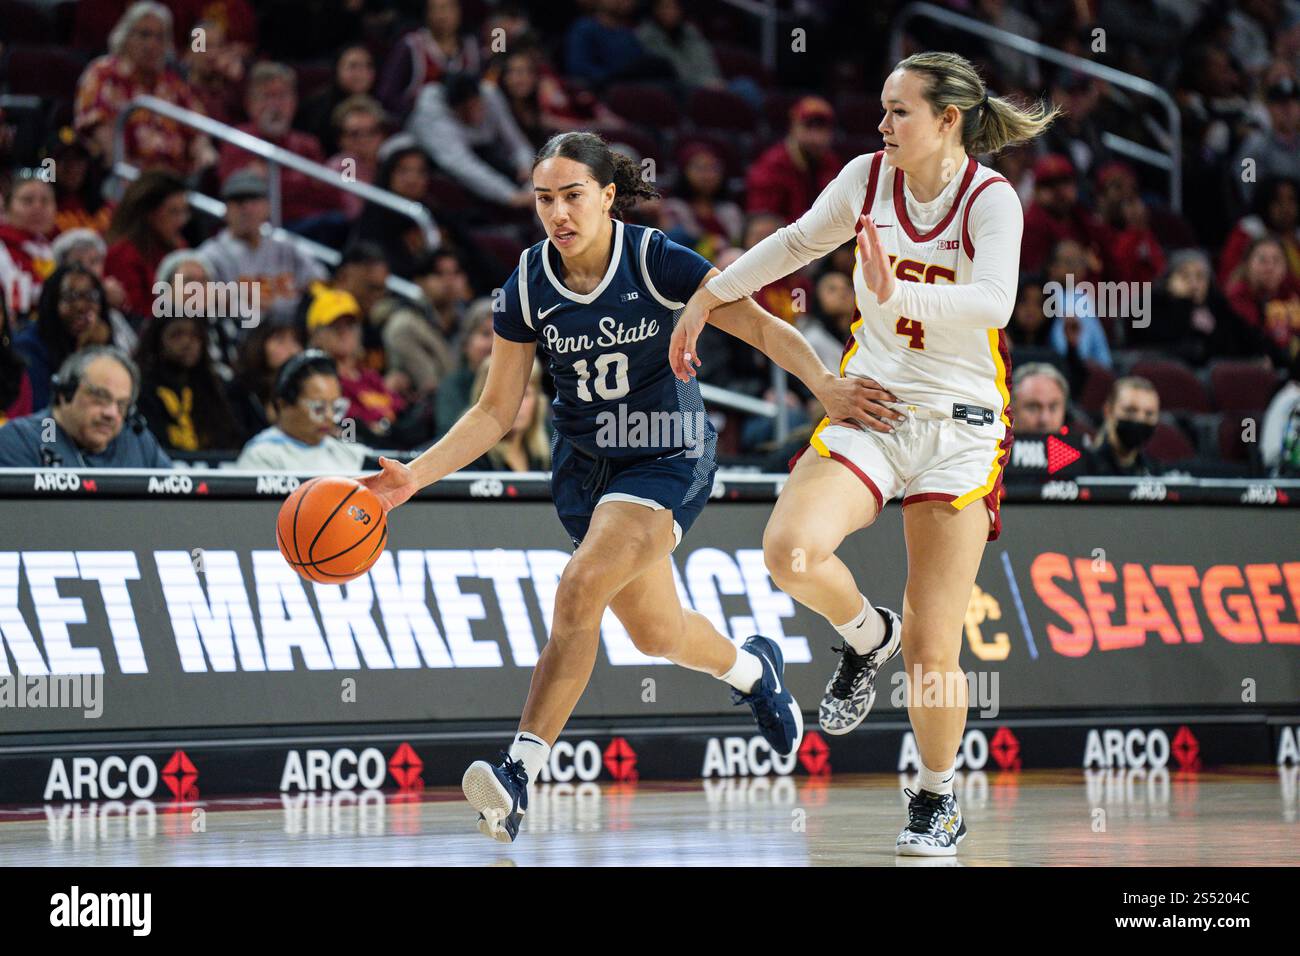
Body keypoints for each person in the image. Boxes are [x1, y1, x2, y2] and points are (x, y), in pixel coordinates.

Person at [361, 131, 879, 843]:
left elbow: (759, 327)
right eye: (545, 198)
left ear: (608, 196)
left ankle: (517, 774)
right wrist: (412, 475)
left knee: (580, 585)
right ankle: (753, 672)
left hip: (665, 452)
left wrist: (824, 383)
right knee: (655, 631)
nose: (558, 213)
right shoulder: (527, 283)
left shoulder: (654, 258)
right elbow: (494, 410)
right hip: (586, 470)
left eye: (573, 196)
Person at [671, 52, 1059, 855]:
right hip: (871, 402)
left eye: (899, 112)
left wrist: (894, 291)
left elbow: (995, 301)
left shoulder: (992, 200)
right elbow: (796, 242)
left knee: (934, 643)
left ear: (948, 120)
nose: (882, 126)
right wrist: (710, 296)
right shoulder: (865, 178)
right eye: (881, 110)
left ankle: (936, 796)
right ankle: (861, 635)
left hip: (960, 430)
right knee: (789, 552)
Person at [73, 1, 214, 176]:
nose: (152, 44)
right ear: (125, 37)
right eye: (144, 35)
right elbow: (99, 131)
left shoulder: (173, 83)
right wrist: (127, 172)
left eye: (160, 37)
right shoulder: (103, 74)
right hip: (125, 179)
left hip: (175, 183)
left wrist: (205, 158)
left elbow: (199, 131)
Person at [0, 346, 172, 468]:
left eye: (122, 404)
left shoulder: (136, 441)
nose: (111, 413)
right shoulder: (32, 436)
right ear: (65, 393)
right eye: (100, 397)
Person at [217, 62, 339, 228]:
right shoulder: (239, 140)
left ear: (294, 102)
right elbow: (239, 193)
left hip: (311, 228)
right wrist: (304, 181)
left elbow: (328, 195)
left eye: (282, 96)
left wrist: (275, 178)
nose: (275, 106)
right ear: (250, 104)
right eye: (267, 96)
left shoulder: (308, 144)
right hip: (262, 231)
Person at [197, 171, 327, 327]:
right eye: (239, 201)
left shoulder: (286, 247)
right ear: (226, 210)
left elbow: (320, 280)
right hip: (237, 336)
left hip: (289, 334)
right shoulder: (210, 255)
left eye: (254, 199)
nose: (247, 208)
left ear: (267, 207)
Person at [406, 72, 536, 209]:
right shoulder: (432, 114)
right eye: (467, 110)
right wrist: (510, 195)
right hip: (439, 162)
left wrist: (526, 165)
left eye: (476, 105)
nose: (475, 114)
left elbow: (515, 139)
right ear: (453, 110)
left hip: (483, 150)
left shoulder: (489, 93)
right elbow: (462, 165)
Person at [234, 349, 369, 471]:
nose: (329, 416)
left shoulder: (347, 452)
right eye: (318, 408)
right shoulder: (261, 457)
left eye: (335, 407)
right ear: (284, 405)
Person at [134, 310, 246, 453]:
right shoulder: (141, 389)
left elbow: (231, 440)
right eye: (177, 335)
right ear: (158, 340)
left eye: (195, 336)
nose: (187, 343)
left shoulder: (214, 389)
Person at [12, 264, 114, 409]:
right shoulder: (28, 347)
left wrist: (101, 352)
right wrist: (84, 355)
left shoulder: (103, 339)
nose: (81, 306)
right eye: (70, 297)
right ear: (52, 302)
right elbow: (43, 413)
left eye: (91, 296)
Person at [103, 170, 190, 317]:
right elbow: (135, 315)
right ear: (149, 214)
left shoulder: (179, 247)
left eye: (185, 211)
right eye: (173, 212)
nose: (182, 221)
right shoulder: (122, 255)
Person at [377, 0, 483, 120]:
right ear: (427, 14)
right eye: (436, 9)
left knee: (489, 91)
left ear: (459, 12)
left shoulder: (472, 47)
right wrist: (411, 111)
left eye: (447, 8)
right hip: (422, 122)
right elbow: (387, 95)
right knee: (431, 93)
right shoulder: (412, 46)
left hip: (464, 122)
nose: (442, 15)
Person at [746, 96, 843, 222]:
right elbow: (762, 222)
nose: (816, 136)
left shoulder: (832, 164)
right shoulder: (772, 166)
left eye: (822, 128)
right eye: (808, 126)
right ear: (793, 127)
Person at [464, 357, 551, 471]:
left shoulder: (546, 454)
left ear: (538, 401)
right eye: (506, 394)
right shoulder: (467, 456)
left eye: (525, 394)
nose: (516, 404)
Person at [296, 45, 376, 156]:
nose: (362, 73)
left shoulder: (378, 106)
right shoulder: (315, 108)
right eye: (353, 66)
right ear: (337, 69)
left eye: (368, 66)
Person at [0, 173, 57, 323]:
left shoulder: (55, 249)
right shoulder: (3, 247)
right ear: (6, 208)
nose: (37, 207)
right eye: (27, 201)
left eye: (45, 201)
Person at [1080, 376, 1160, 476]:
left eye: (1149, 414)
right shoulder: (1085, 469)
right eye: (1130, 410)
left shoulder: (1155, 472)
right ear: (1108, 411)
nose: (1140, 419)